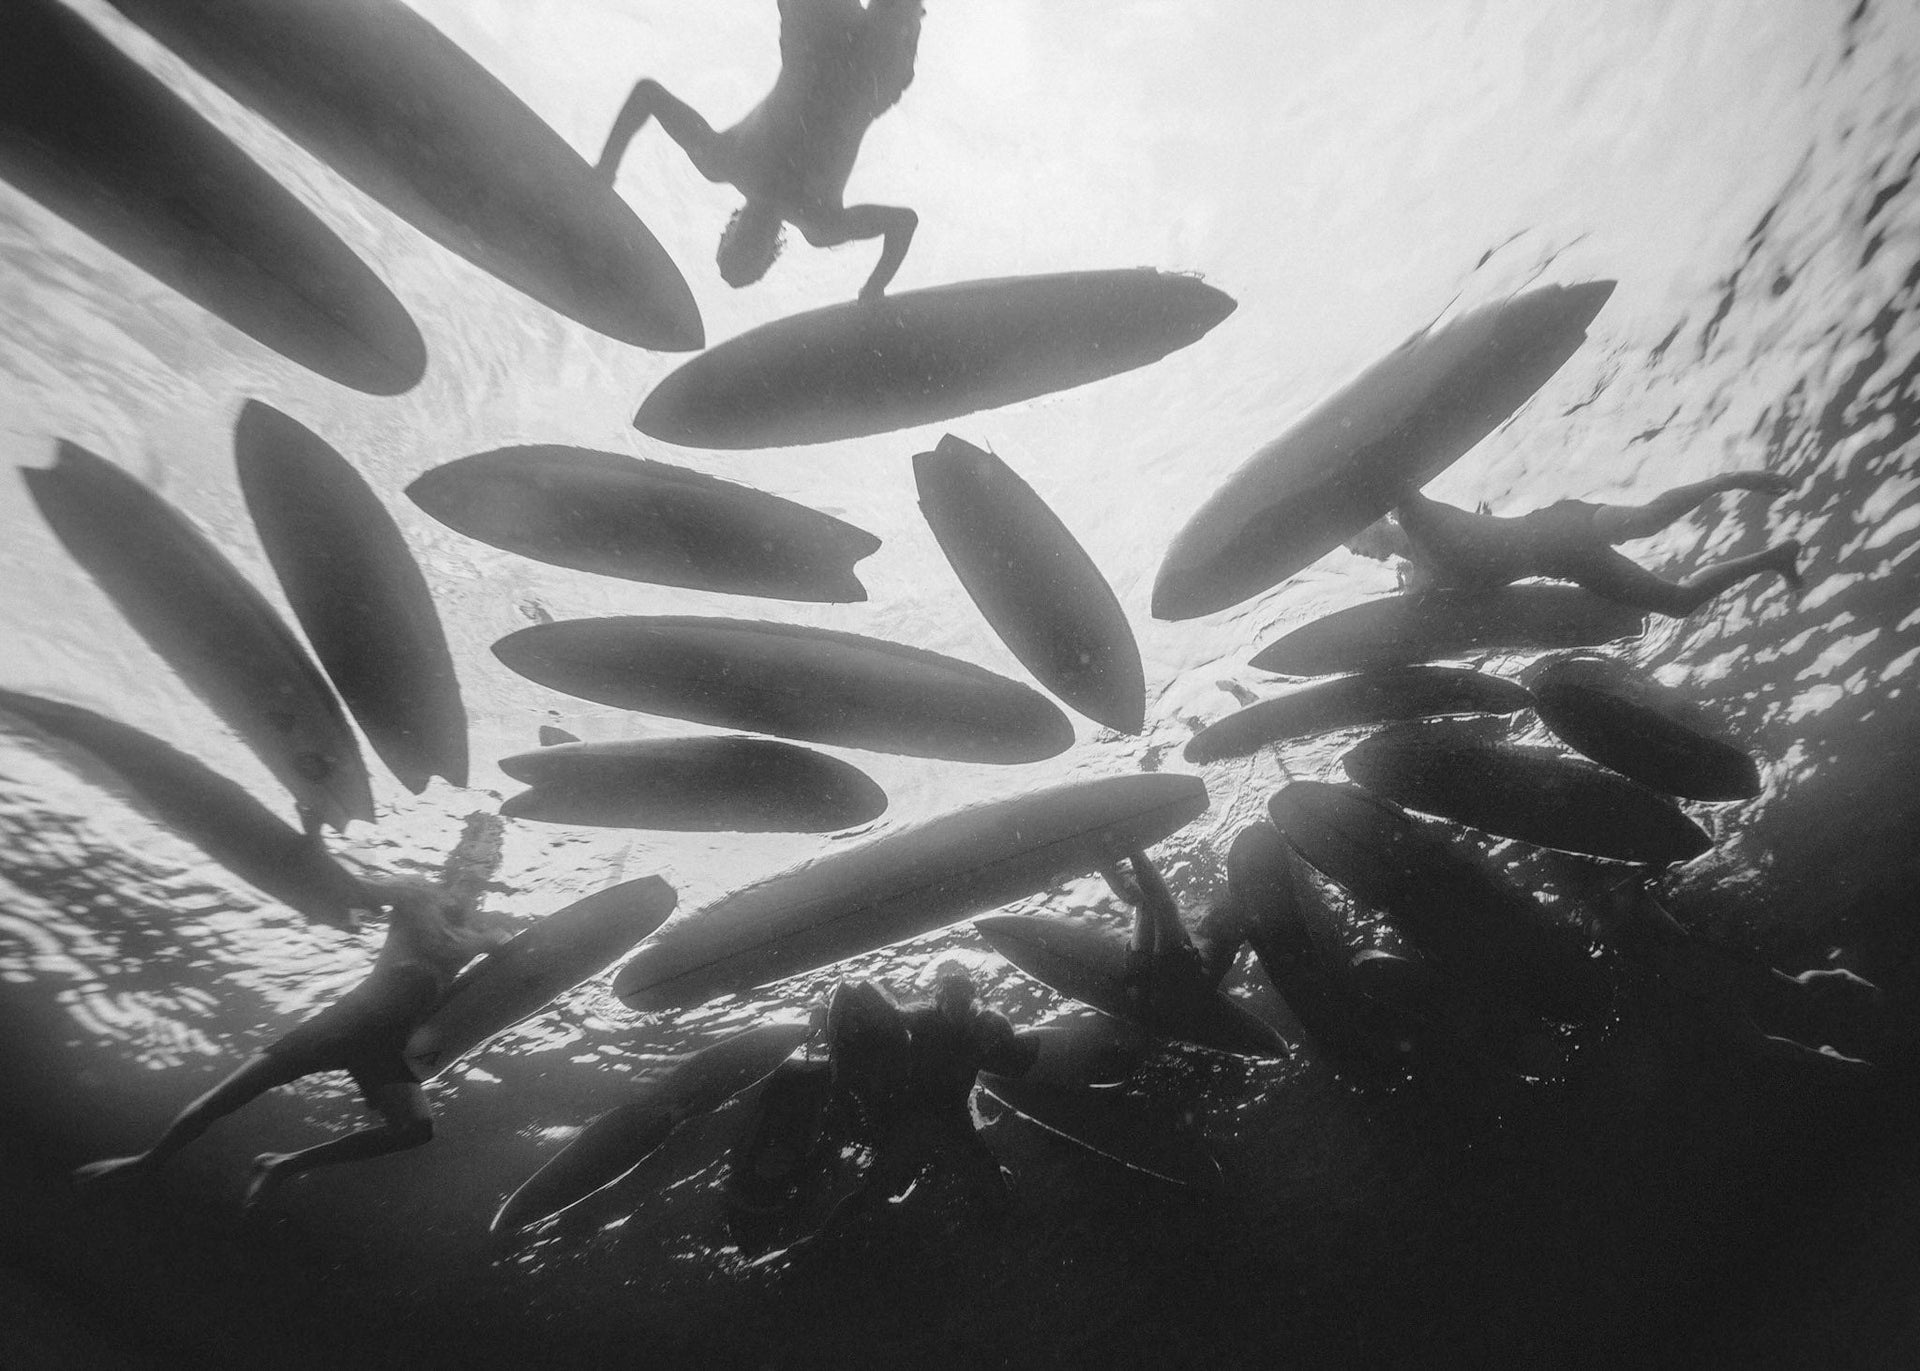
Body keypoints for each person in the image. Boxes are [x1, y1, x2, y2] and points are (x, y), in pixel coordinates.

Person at [72, 876, 514, 1210]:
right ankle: (149, 1161)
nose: (468, 887)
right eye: (464, 873)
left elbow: (516, 961)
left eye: (478, 880)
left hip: (388, 1046)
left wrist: (505, 943)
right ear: (449, 867)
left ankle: (283, 1163)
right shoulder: (414, 892)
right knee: (224, 1099)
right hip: (340, 1022)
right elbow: (345, 890)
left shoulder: (482, 931)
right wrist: (348, 897)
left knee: (416, 1131)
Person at [596, 0, 924, 301]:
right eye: (753, 254)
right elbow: (903, 223)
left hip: (820, 41)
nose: (748, 242)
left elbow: (647, 95)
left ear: (729, 228)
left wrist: (604, 171)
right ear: (772, 252)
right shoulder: (819, 223)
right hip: (873, 69)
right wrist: (875, 287)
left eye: (737, 246)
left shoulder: (723, 162)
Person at [723, 964, 1035, 1250]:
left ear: (972, 997)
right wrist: (831, 1011)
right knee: (877, 1190)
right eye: (948, 998)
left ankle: (1008, 1226)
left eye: (961, 998)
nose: (955, 1006)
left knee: (985, 1181)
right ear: (939, 997)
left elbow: (1009, 1054)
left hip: (949, 1117)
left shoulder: (988, 1024)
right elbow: (882, 1013)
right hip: (915, 1119)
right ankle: (822, 1239)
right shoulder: (924, 1018)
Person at [1346, 472, 1802, 616]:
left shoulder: (1414, 515)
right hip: (1568, 568)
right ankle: (1774, 558)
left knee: (1646, 521)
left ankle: (1732, 479)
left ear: (1371, 520)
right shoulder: (1419, 581)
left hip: (1558, 528)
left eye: (1350, 538)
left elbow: (1388, 475)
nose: (1352, 551)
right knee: (1678, 604)